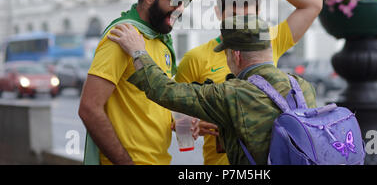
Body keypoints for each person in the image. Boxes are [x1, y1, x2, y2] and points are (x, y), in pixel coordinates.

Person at [107, 14, 318, 165]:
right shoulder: (301, 86)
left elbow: (163, 90)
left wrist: (137, 51)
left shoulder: (233, 94)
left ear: (235, 55)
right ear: (268, 48)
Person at [175, 0, 323, 164]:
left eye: (249, 16)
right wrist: (191, 125)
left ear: (259, 12)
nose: (242, 23)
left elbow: (313, 4)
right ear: (218, 12)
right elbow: (176, 117)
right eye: (234, 15)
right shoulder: (195, 58)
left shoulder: (268, 41)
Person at [78, 0, 194, 165]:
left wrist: (181, 124)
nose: (181, 10)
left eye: (185, 2)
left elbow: (148, 106)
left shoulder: (159, 39)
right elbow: (89, 108)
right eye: (176, 1)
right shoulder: (122, 37)